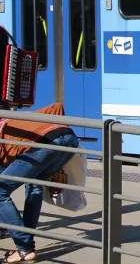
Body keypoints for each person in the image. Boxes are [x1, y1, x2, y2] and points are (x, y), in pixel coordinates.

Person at [0, 103, 79, 262]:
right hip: (69, 139)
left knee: (0, 192)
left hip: (42, 146)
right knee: (34, 186)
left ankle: (25, 248)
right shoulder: (19, 118)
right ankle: (24, 246)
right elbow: (57, 106)